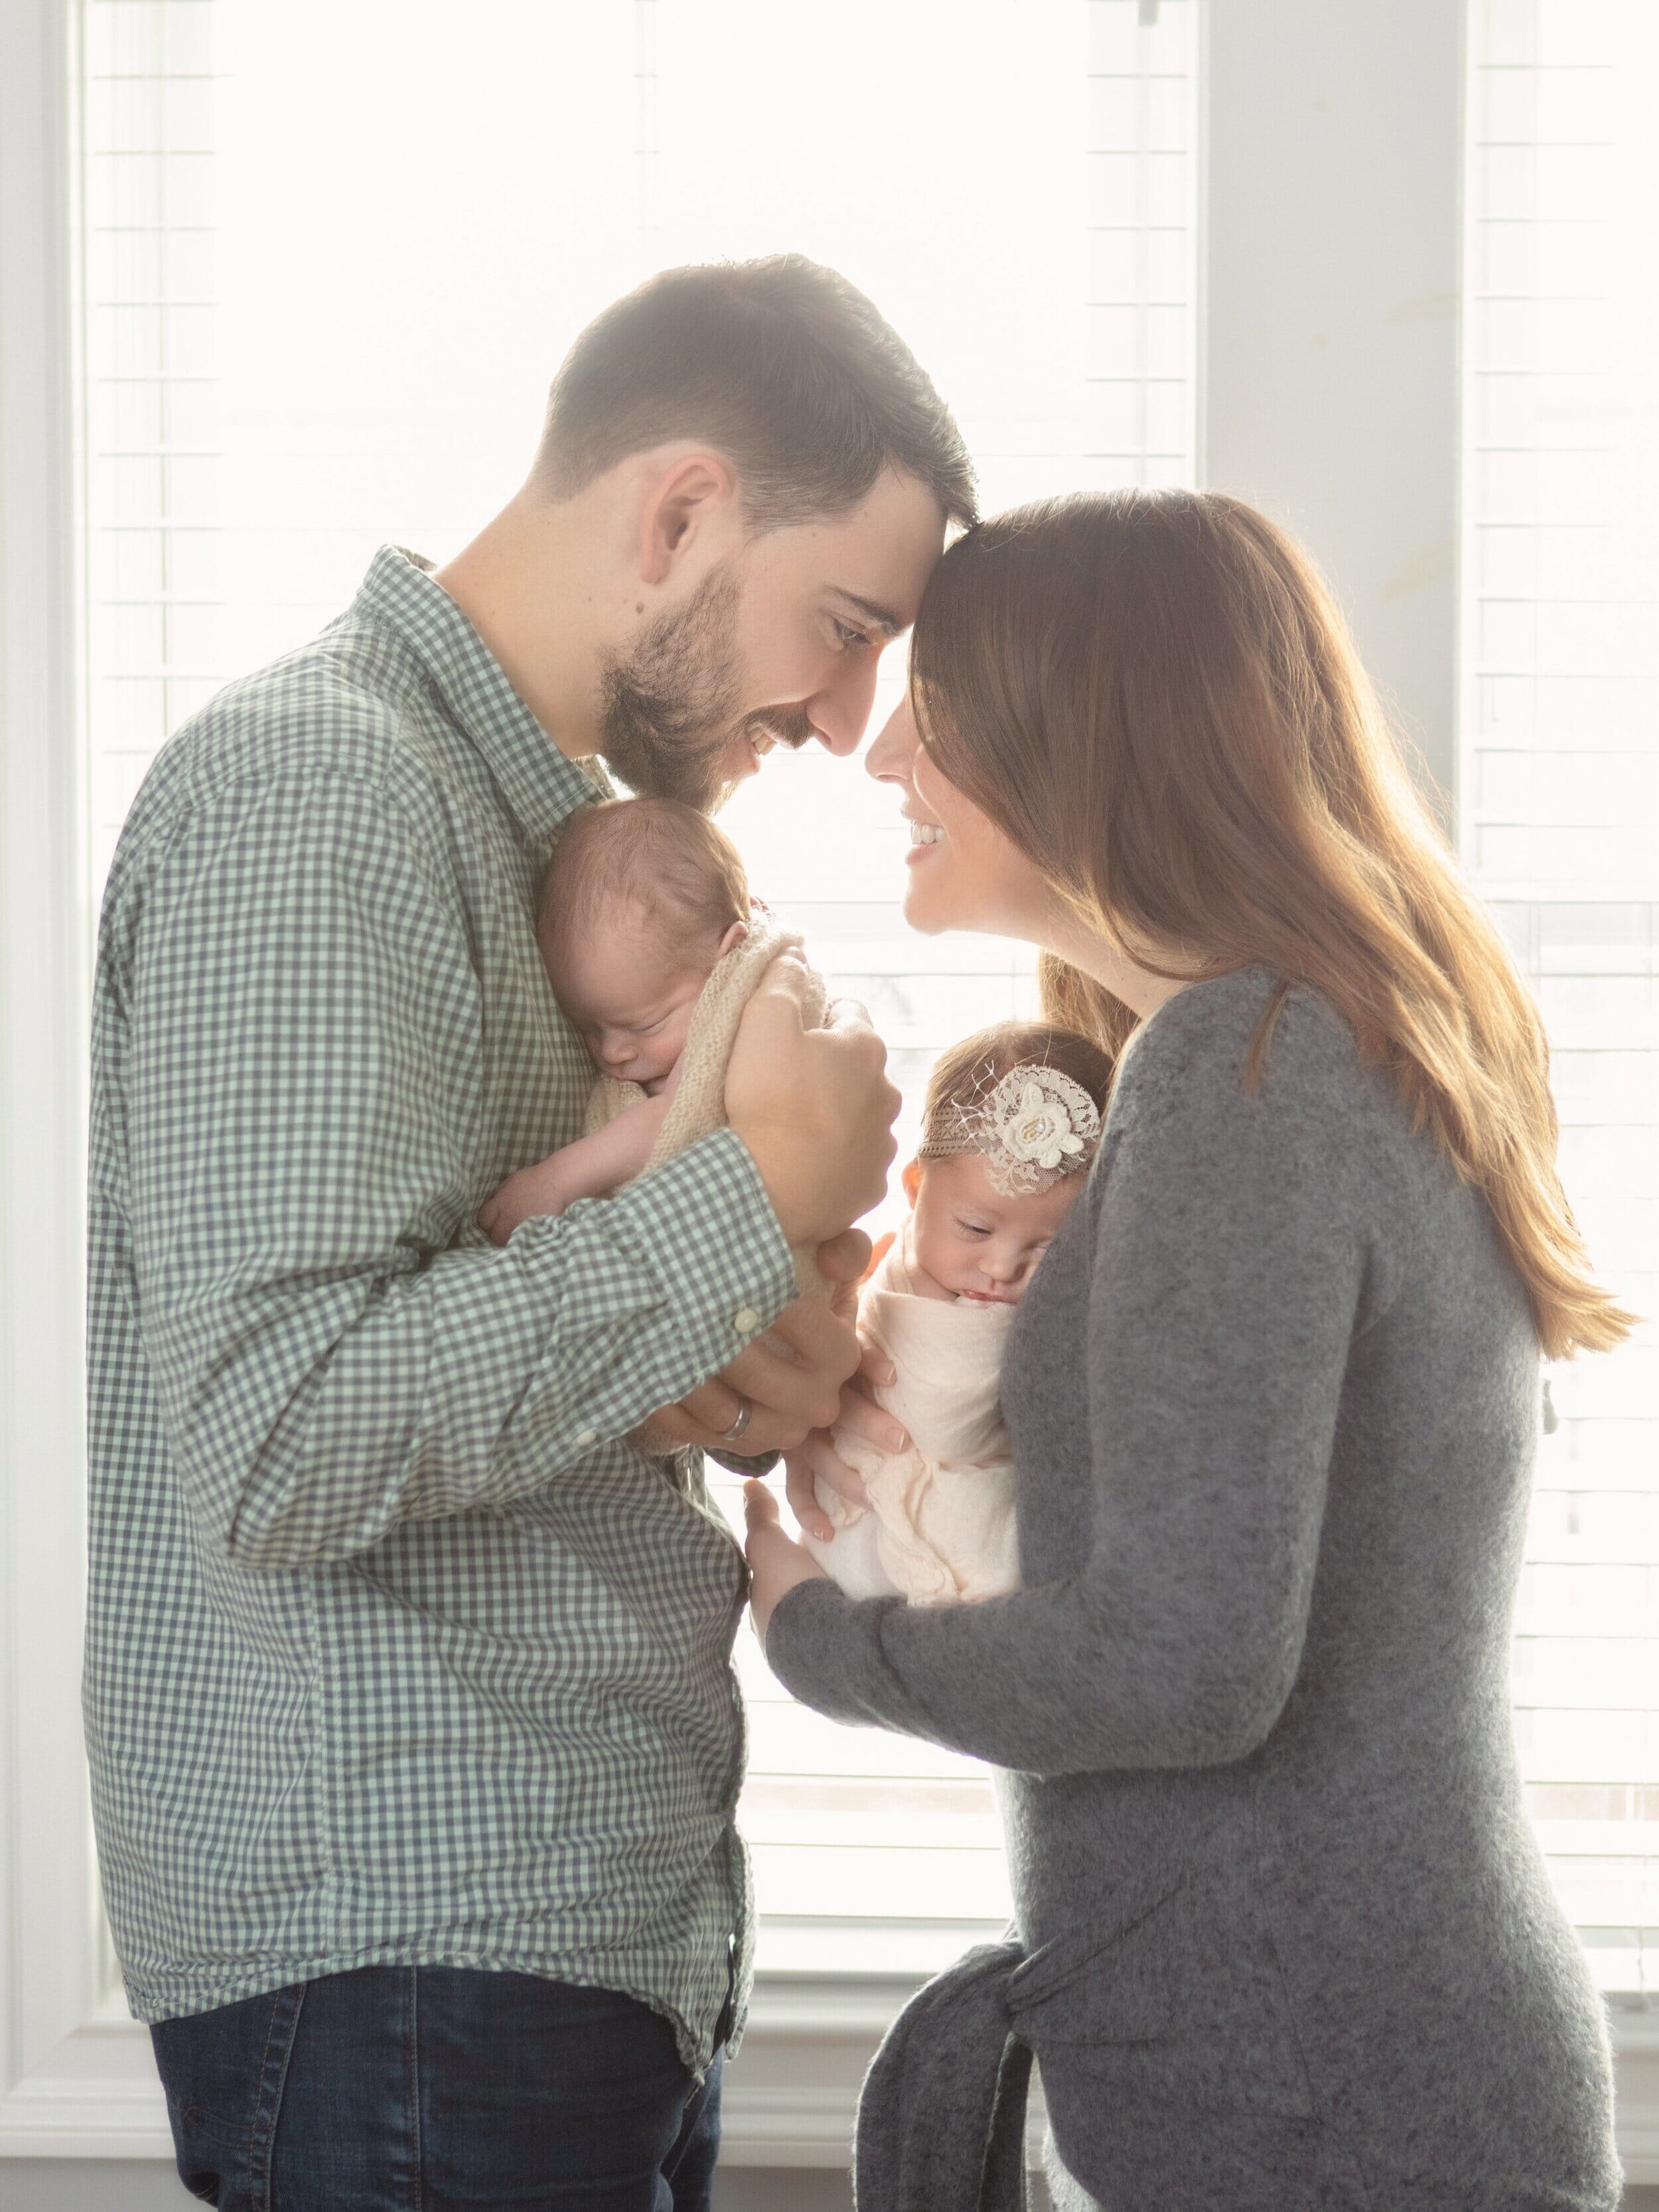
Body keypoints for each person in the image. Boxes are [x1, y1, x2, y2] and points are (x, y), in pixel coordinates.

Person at [86, 255, 971, 2211]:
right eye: (840, 630)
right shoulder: (325, 794)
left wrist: (763, 1368)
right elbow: (287, 1434)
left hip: (556, 1954)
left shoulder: (562, 855)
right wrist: (759, 1193)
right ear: (676, 515)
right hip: (417, 1967)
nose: (845, 718)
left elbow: (527, 1353)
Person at [745, 488, 1630, 2211]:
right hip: (1333, 2076)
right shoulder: (1282, 1046)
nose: (881, 763)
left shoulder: (1248, 1069)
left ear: (1088, 737)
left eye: (944, 711)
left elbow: (1184, 1660)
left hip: (1328, 2105)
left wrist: (823, 1640)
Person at [799, 1020, 1112, 1604]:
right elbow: (944, 1418)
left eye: (1049, 1247)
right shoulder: (894, 1275)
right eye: (975, 1228)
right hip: (868, 1526)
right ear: (915, 1188)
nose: (1000, 1267)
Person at [478, 797, 755, 1239]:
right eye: (588, 1027)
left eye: (644, 1025)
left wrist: (554, 1180)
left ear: (727, 955)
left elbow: (673, 1114)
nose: (612, 1051)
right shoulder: (663, 997)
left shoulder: (744, 1005)